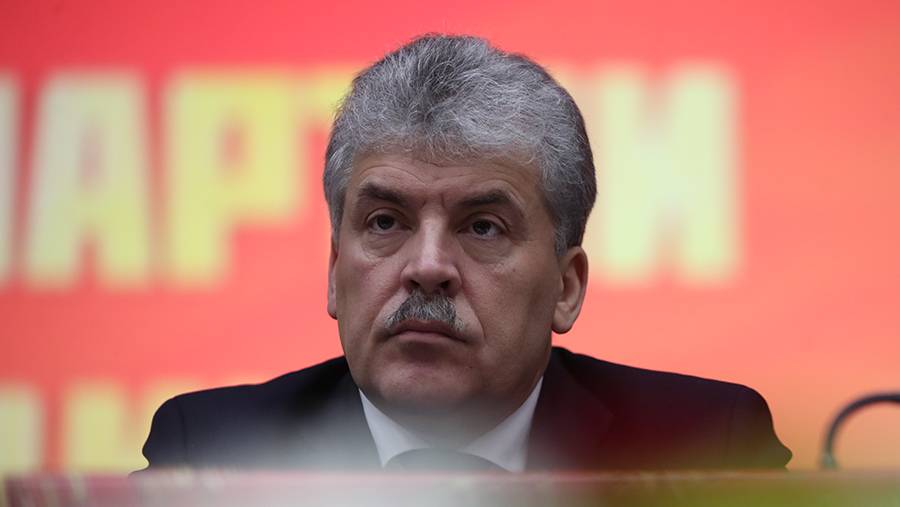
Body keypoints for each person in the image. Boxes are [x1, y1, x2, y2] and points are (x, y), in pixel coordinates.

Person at [141, 34, 791, 472]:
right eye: (386, 221)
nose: (427, 267)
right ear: (335, 271)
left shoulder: (704, 447)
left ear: (567, 287)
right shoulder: (216, 452)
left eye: (483, 227)